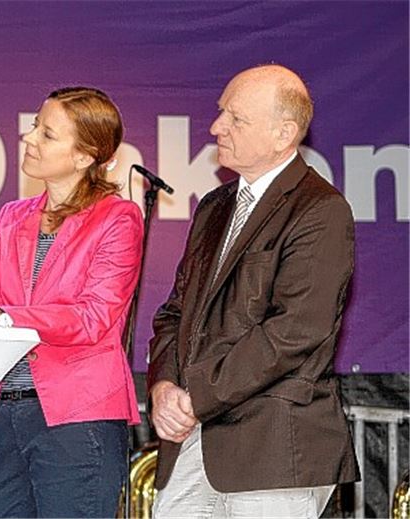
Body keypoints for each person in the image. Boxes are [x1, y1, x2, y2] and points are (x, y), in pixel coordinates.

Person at [147, 64, 359, 518]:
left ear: (284, 134)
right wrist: (164, 385)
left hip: (274, 450)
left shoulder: (321, 210)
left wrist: (197, 395)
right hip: (197, 439)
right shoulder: (214, 206)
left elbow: (294, 331)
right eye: (222, 112)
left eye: (235, 118)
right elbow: (174, 312)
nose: (215, 126)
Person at [0, 86, 143, 518]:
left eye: (47, 134)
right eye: (34, 127)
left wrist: (2, 318)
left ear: (85, 155)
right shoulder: (13, 215)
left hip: (77, 416)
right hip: (7, 410)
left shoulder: (118, 218)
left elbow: (92, 318)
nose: (29, 139)